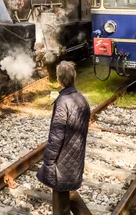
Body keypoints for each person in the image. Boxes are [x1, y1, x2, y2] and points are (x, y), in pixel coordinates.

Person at [37, 61, 90, 215]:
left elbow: (56, 137)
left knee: (60, 204)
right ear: (75, 77)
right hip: (76, 156)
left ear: (59, 79)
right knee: (70, 191)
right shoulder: (82, 99)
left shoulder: (62, 102)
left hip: (61, 161)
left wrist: (48, 161)